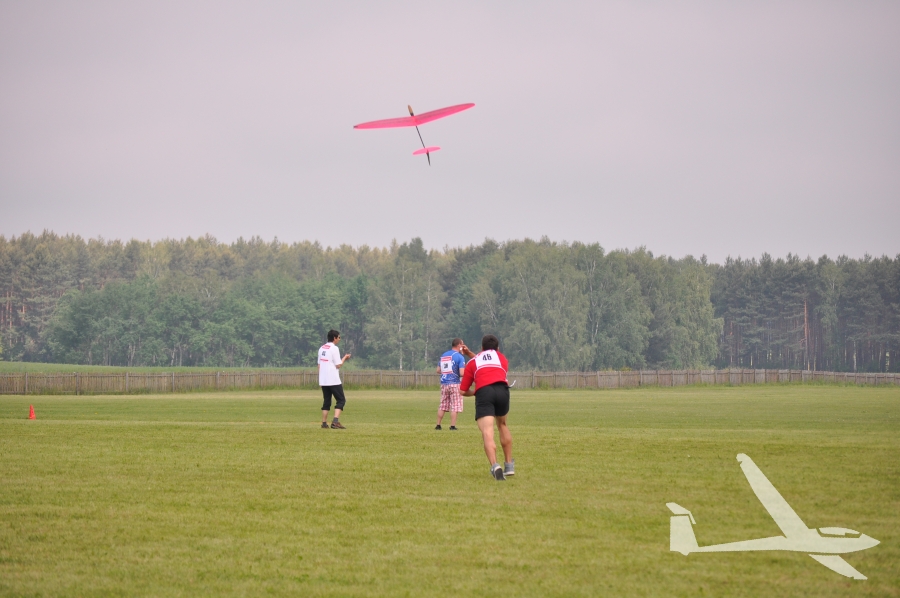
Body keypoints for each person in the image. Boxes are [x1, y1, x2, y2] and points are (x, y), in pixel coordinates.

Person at [459, 334, 514, 481]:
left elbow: (462, 391)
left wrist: (475, 392)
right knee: (502, 425)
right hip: (502, 390)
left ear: (482, 348)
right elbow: (488, 362)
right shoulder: (502, 358)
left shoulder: (472, 362)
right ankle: (509, 465)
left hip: (484, 392)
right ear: (498, 348)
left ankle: (495, 466)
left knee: (487, 431)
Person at [434, 338, 476, 430]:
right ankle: (452, 426)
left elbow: (438, 370)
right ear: (459, 345)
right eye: (462, 344)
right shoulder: (459, 357)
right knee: (455, 405)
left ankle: (438, 425)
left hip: (444, 383)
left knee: (443, 404)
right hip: (455, 383)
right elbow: (462, 373)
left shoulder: (444, 355)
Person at [318, 329, 351, 429]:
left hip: (324, 380)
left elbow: (319, 365)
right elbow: (338, 365)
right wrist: (345, 358)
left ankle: (324, 423)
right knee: (341, 400)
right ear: (334, 338)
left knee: (327, 401)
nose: (339, 339)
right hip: (333, 379)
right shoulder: (334, 348)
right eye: (339, 337)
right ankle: (335, 421)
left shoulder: (321, 348)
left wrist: (321, 379)